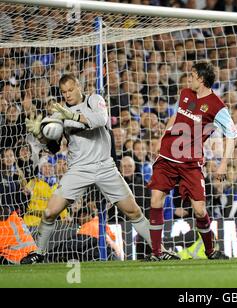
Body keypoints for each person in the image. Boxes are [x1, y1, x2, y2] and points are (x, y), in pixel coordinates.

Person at [20, 74, 158, 264]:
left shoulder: (94, 100)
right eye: (63, 92)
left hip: (105, 167)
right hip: (78, 169)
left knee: (133, 211)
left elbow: (101, 120)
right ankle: (39, 253)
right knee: (50, 212)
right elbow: (53, 148)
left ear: (79, 86)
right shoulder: (58, 114)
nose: (67, 95)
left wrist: (74, 116)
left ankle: (159, 250)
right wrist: (41, 135)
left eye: (70, 90)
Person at [147, 62, 237, 261]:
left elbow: (232, 135)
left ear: (201, 80)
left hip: (190, 164)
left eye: (192, 75)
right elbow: (176, 116)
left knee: (199, 209)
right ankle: (156, 253)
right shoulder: (186, 93)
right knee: (155, 200)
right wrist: (163, 136)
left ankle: (210, 251)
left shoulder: (218, 107)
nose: (188, 78)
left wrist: (223, 164)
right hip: (167, 157)